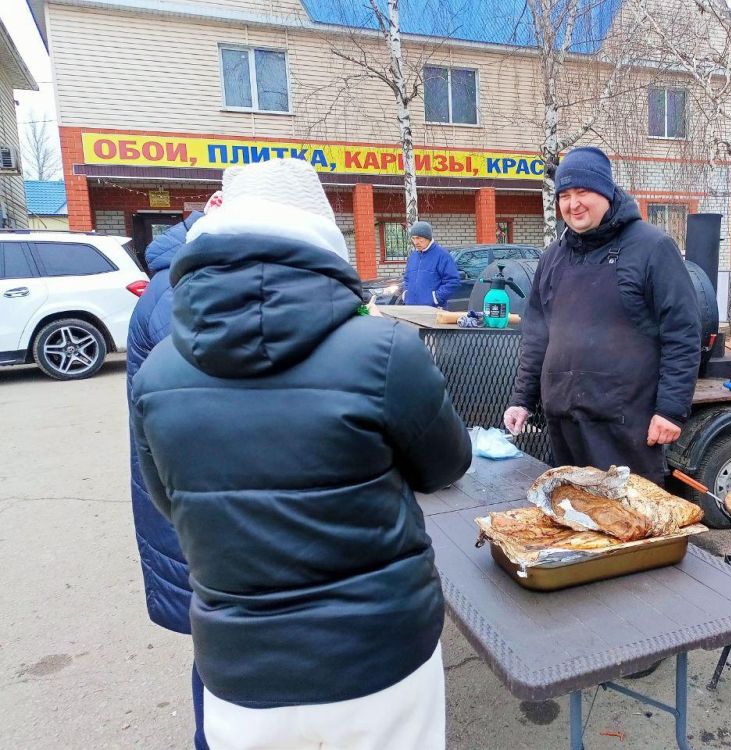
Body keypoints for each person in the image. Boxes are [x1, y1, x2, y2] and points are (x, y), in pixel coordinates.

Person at [130, 159, 471, 750]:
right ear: (322, 237)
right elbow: (446, 466)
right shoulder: (385, 349)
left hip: (243, 669)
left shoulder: (158, 372)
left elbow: (166, 501)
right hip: (379, 654)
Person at [503, 146, 701, 486]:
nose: (573, 203)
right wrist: (522, 400)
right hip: (563, 422)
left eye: (583, 191)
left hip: (625, 426)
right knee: (572, 522)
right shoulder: (553, 257)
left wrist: (670, 410)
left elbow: (682, 333)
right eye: (564, 195)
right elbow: (537, 337)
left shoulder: (651, 248)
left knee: (628, 527)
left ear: (606, 192)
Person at [126, 197, 216, 750]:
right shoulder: (179, 293)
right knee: (219, 646)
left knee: (219, 642)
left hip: (191, 505)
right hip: (196, 516)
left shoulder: (181, 279)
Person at [401, 221, 461, 308]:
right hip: (411, 308)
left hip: (433, 310)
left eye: (418, 238)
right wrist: (405, 294)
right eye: (413, 238)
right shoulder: (413, 256)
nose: (415, 242)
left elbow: (453, 281)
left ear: (428, 237)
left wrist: (435, 298)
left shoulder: (442, 255)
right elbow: (407, 278)